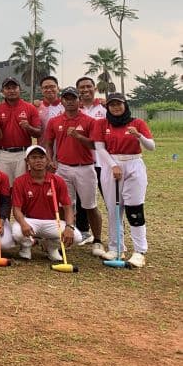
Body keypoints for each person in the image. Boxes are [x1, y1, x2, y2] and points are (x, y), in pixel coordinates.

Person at [41, 87, 105, 258]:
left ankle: (97, 240)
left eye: (73, 98)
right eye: (66, 98)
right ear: (62, 101)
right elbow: (48, 143)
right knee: (64, 205)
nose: (69, 101)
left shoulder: (89, 121)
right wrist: (50, 159)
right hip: (63, 167)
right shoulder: (55, 121)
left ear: (79, 100)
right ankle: (63, 238)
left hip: (85, 167)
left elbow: (94, 145)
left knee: (90, 206)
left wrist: (79, 137)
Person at [93, 93, 155, 268]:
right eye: (112, 105)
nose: (116, 107)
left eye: (119, 104)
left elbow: (151, 146)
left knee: (134, 208)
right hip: (110, 166)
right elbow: (99, 148)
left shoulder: (137, 123)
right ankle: (115, 247)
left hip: (134, 164)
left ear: (125, 105)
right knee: (113, 209)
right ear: (108, 107)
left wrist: (138, 136)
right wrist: (113, 165)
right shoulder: (102, 124)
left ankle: (140, 250)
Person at [11, 145, 82, 261]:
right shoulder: (20, 181)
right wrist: (23, 223)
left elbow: (68, 207)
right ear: (27, 161)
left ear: (47, 160)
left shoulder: (57, 181)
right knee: (17, 232)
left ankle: (51, 247)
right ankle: (26, 247)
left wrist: (69, 226)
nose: (38, 161)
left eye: (41, 157)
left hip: (53, 221)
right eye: (33, 158)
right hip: (30, 220)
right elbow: (16, 209)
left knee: (77, 237)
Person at [75, 76, 107, 245]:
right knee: (82, 199)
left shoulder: (105, 107)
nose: (85, 90)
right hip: (82, 161)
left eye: (88, 86)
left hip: (103, 161)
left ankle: (118, 233)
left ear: (95, 88)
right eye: (82, 87)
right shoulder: (75, 109)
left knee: (108, 197)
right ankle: (84, 231)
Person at [0, 76, 42, 185]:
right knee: (5, 186)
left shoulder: (30, 108)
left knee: (22, 186)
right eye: (8, 88)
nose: (11, 91)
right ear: (2, 91)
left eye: (14, 87)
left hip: (23, 153)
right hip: (2, 153)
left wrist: (28, 127)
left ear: (20, 89)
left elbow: (38, 133)